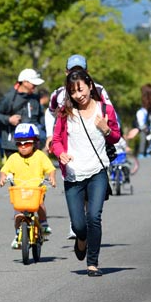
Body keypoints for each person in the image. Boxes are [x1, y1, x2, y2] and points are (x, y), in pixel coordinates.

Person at [50, 68, 120, 277]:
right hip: (73, 174)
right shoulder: (65, 113)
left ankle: (92, 263)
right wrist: (61, 153)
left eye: (81, 89)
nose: (78, 95)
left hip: (97, 171)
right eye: (73, 92)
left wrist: (105, 128)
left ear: (90, 86)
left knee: (94, 217)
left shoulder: (105, 109)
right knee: (79, 225)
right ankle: (81, 240)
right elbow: (55, 141)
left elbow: (116, 137)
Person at [47, 54, 115, 241]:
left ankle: (85, 230)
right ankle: (78, 227)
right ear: (66, 72)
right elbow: (50, 113)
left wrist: (108, 130)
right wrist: (50, 137)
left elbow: (110, 117)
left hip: (94, 157)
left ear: (87, 74)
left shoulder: (100, 91)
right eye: (72, 70)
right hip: (71, 156)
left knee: (93, 210)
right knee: (78, 200)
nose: (78, 94)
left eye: (81, 70)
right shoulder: (59, 93)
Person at [0, 123, 56, 249]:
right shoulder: (13, 158)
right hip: (20, 192)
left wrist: (51, 177)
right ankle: (18, 233)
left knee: (39, 204)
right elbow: (4, 170)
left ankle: (43, 223)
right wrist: (3, 177)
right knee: (18, 215)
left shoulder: (40, 155)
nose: (23, 147)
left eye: (27, 143)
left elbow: (50, 169)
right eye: (19, 143)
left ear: (35, 142)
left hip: (37, 190)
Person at [0, 69, 45, 158]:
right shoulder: (9, 97)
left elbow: (41, 118)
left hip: (32, 144)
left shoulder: (35, 98)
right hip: (12, 145)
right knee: (15, 171)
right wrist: (9, 119)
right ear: (25, 82)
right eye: (33, 84)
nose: (35, 86)